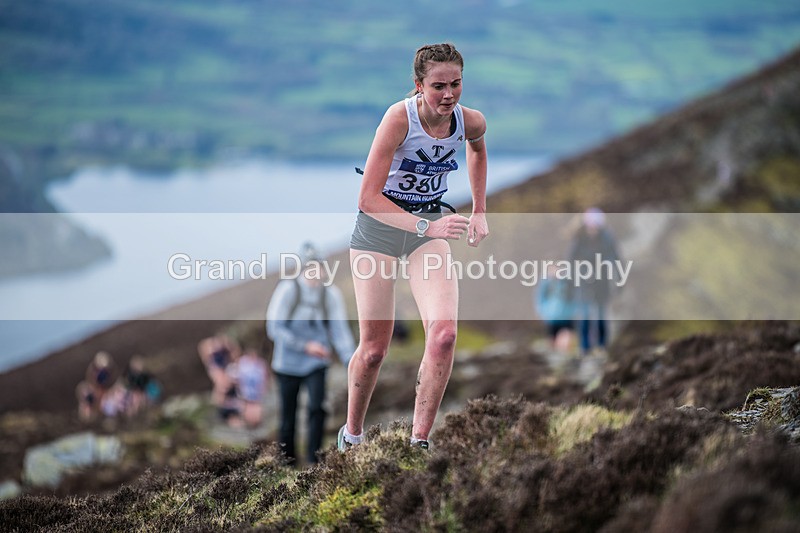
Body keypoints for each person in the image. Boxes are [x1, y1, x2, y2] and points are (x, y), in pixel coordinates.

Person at [340, 42, 489, 451]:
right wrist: (427, 225)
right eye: (438, 85)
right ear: (419, 85)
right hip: (379, 230)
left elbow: (477, 147)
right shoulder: (398, 119)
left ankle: (417, 444)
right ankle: (351, 435)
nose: (448, 95)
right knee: (373, 351)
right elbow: (367, 199)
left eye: (456, 84)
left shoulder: (468, 120)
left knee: (443, 336)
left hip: (428, 231)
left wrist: (479, 210)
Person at [266, 241, 355, 465]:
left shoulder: (330, 295)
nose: (316, 272)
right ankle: (287, 462)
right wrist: (305, 346)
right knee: (289, 415)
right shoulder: (288, 290)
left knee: (317, 408)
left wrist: (352, 362)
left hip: (317, 363)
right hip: (287, 364)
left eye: (320, 266)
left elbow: (340, 331)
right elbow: (274, 328)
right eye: (311, 267)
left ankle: (314, 461)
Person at [569, 207, 621, 356]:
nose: (593, 227)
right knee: (585, 314)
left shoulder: (607, 238)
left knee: (600, 313)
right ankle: (585, 348)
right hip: (584, 282)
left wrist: (617, 280)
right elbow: (571, 260)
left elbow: (615, 258)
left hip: (601, 282)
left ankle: (601, 346)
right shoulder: (579, 238)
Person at [197, 334, 242, 423]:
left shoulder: (229, 368)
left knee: (224, 387)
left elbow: (235, 353)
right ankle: (226, 413)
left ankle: (231, 413)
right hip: (219, 373)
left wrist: (225, 344)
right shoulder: (214, 366)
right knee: (222, 388)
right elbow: (205, 352)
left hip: (226, 373)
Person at [535, 263, 577, 355]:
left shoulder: (568, 282)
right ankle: (556, 361)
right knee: (552, 344)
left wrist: (574, 310)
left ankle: (565, 360)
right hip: (552, 318)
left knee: (566, 342)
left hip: (567, 317)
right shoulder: (545, 283)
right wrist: (543, 312)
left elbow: (575, 297)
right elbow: (540, 298)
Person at [231, 348, 269, 429]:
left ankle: (254, 423)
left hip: (256, 394)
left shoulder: (261, 363)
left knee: (254, 407)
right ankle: (250, 422)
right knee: (249, 406)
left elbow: (265, 377)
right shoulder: (242, 362)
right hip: (246, 394)